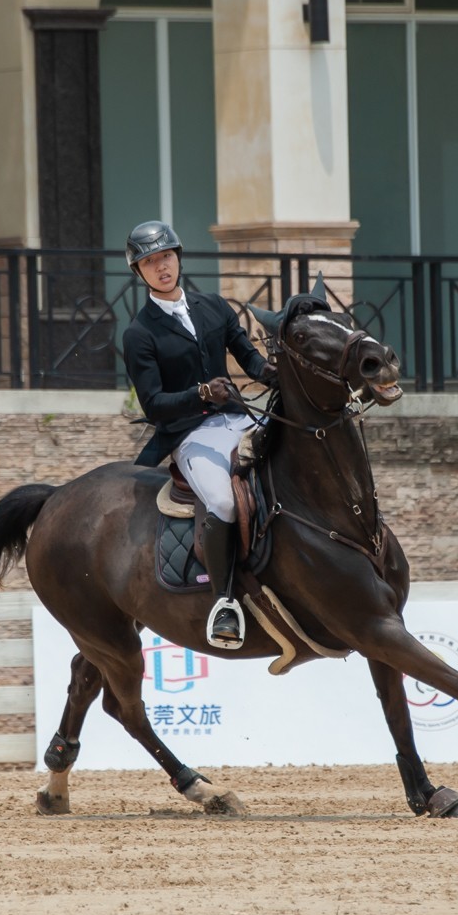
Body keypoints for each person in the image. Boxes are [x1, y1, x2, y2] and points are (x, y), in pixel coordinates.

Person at [122, 220, 276, 650]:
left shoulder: (214, 307)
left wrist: (276, 372)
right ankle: (224, 602)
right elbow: (154, 403)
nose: (161, 267)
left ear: (178, 257)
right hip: (190, 435)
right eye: (150, 262)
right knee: (223, 502)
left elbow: (250, 360)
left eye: (166, 257)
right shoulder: (139, 334)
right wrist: (201, 393)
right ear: (139, 272)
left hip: (239, 419)